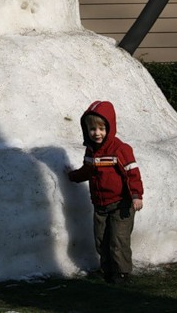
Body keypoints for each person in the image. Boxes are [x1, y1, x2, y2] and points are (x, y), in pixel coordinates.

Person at [67, 100, 143, 284]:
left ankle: (122, 272)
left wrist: (136, 195)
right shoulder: (91, 150)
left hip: (121, 204)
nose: (97, 133)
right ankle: (107, 269)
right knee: (101, 239)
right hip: (100, 204)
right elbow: (88, 170)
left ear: (110, 127)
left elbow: (132, 173)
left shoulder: (120, 149)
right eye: (92, 129)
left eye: (101, 128)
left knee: (118, 239)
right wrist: (73, 176)